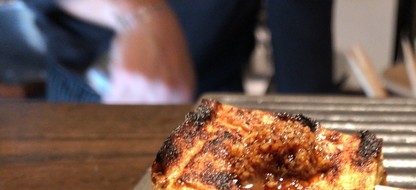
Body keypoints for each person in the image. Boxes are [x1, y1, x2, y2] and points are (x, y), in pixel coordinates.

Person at [24, 0, 335, 103]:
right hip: (84, 94)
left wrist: (311, 116)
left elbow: (302, 34)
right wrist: (138, 11)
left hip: (214, 97)